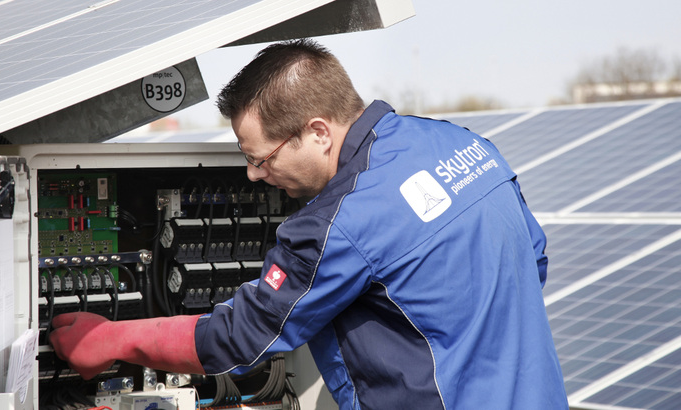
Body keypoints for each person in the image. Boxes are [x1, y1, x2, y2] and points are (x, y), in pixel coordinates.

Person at [50, 38, 568, 409]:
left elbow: (239, 336)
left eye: (264, 158)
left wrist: (113, 340)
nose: (254, 176)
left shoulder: (338, 224)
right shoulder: (464, 144)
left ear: (318, 132)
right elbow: (533, 261)